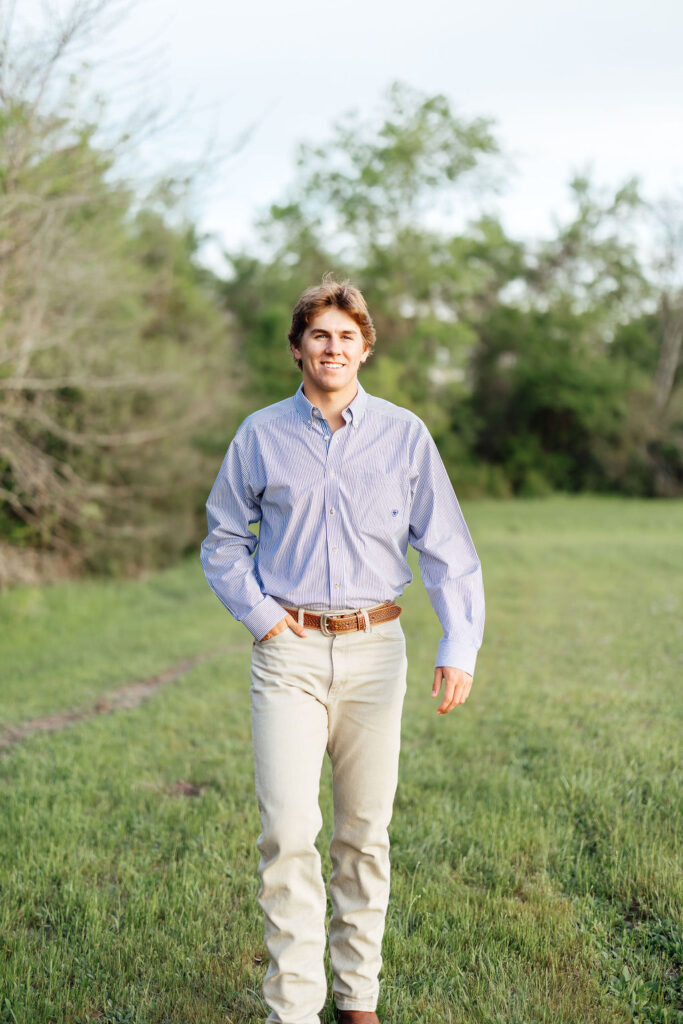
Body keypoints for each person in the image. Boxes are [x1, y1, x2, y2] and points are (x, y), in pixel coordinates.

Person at [200, 277, 485, 1024]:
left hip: (375, 651)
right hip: (286, 652)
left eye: (346, 335)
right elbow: (224, 541)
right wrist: (262, 617)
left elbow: (448, 549)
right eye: (319, 335)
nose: (333, 347)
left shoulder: (404, 435)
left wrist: (458, 645)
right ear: (297, 348)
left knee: (363, 833)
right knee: (288, 832)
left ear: (364, 348)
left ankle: (358, 999)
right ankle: (293, 1008)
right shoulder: (258, 435)